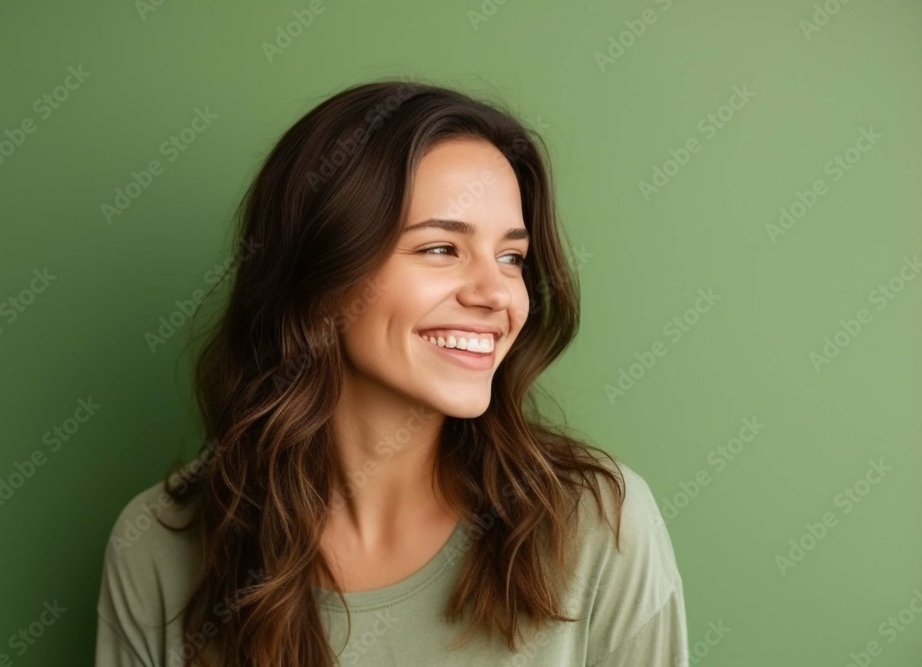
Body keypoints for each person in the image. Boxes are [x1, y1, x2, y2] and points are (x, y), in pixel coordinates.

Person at [94, 79, 689, 666]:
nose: (496, 294)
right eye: (440, 248)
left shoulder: (596, 526)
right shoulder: (159, 546)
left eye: (511, 257)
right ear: (321, 276)